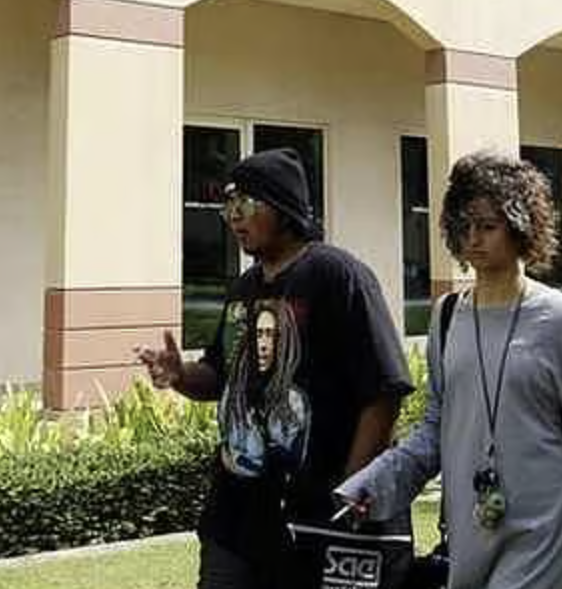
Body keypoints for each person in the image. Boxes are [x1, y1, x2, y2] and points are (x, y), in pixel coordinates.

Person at [336, 150, 562, 589]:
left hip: (544, 526)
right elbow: (436, 428)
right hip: (472, 529)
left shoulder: (561, 319)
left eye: (487, 226)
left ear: (522, 226)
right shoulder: (447, 317)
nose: (473, 239)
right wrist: (374, 483)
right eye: (463, 226)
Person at [136, 147, 414, 589]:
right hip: (235, 517)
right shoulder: (244, 287)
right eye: (228, 205)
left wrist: (352, 487)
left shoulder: (338, 276)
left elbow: (384, 391)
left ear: (283, 208)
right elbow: (221, 375)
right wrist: (181, 376)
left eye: (246, 204)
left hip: (317, 519)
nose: (234, 217)